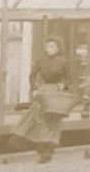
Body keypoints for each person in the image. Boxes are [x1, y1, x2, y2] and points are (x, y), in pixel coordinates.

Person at [17, 35, 78, 164]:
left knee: (53, 121)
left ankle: (48, 151)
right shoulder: (41, 61)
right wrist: (34, 90)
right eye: (47, 46)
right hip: (44, 91)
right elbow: (32, 76)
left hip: (56, 91)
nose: (49, 49)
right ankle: (40, 149)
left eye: (52, 46)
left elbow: (70, 79)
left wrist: (63, 87)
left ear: (58, 48)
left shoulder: (64, 61)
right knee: (39, 119)